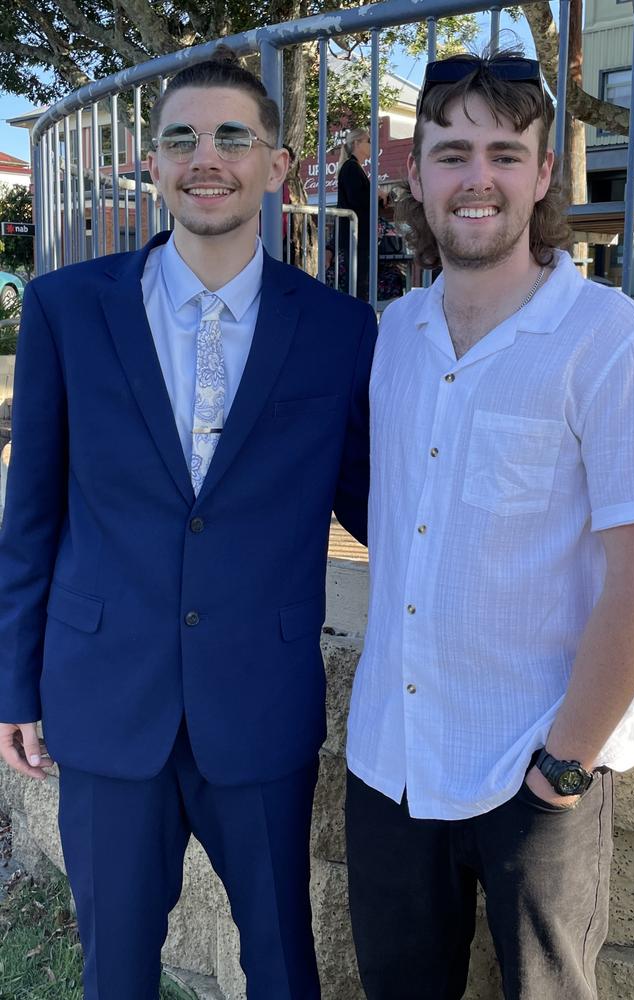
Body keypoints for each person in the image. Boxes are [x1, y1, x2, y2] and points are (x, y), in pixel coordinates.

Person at [0, 51, 376, 1000]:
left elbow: (379, 507)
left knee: (284, 965)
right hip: (104, 698)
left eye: (232, 136)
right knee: (115, 973)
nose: (206, 157)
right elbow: (31, 515)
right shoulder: (64, 311)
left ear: (279, 166)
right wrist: (12, 685)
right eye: (182, 138)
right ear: (153, 164)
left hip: (259, 698)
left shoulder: (341, 330)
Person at [345, 49, 634, 1000]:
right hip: (389, 761)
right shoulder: (393, 334)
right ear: (417, 174)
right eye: (451, 152)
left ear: (544, 172)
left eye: (504, 153)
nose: (477, 178)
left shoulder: (609, 339)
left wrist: (563, 764)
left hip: (536, 763)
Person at [337, 127, 371, 300]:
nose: (372, 145)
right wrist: (376, 194)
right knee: (357, 282)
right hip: (355, 236)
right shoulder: (351, 168)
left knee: (361, 280)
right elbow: (357, 199)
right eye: (368, 141)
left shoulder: (354, 167)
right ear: (357, 143)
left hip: (359, 235)